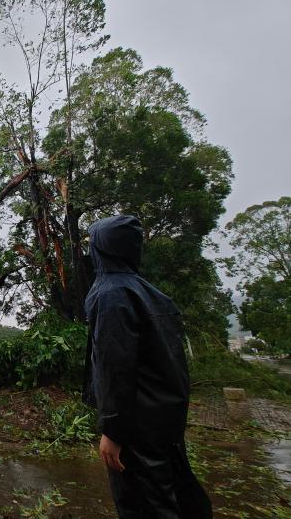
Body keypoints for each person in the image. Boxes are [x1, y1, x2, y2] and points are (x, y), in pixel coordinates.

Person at [82, 215, 212, 519]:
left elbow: (116, 368)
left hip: (135, 430)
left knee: (142, 505)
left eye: (93, 245)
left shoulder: (111, 294)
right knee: (173, 498)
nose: (89, 252)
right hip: (164, 423)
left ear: (106, 249)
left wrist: (113, 431)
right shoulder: (151, 294)